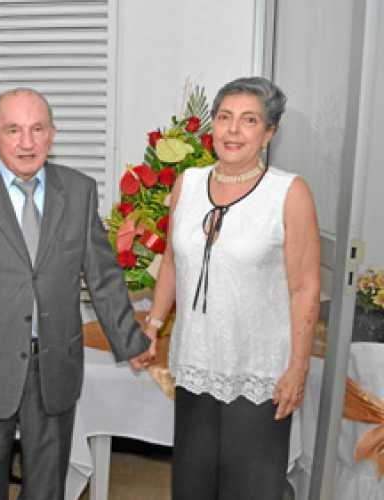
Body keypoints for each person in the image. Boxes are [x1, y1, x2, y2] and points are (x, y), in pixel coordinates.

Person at [0, 87, 154, 500]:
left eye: (37, 129)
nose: (26, 142)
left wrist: (130, 340)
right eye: (13, 129)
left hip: (54, 365)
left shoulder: (80, 191)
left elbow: (102, 276)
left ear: (52, 135)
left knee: (48, 486)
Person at [143, 76, 320, 500]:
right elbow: (171, 260)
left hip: (258, 371)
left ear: (269, 132)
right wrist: (152, 323)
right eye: (224, 117)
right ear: (212, 126)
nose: (233, 130)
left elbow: (305, 287)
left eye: (249, 120)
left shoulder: (289, 192)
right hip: (195, 363)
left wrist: (298, 367)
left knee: (250, 489)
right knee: (192, 486)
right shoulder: (187, 183)